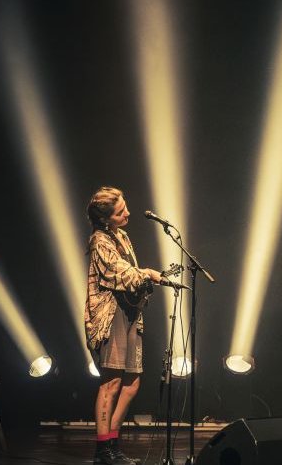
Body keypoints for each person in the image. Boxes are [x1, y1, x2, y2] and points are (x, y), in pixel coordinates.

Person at [85, 186, 163, 465]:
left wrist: (146, 279)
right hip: (111, 314)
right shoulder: (99, 240)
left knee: (132, 381)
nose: (127, 213)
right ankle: (102, 450)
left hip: (131, 312)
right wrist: (149, 274)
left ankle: (113, 443)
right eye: (120, 212)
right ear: (106, 219)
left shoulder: (123, 236)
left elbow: (131, 274)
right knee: (112, 382)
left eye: (125, 206)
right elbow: (118, 274)